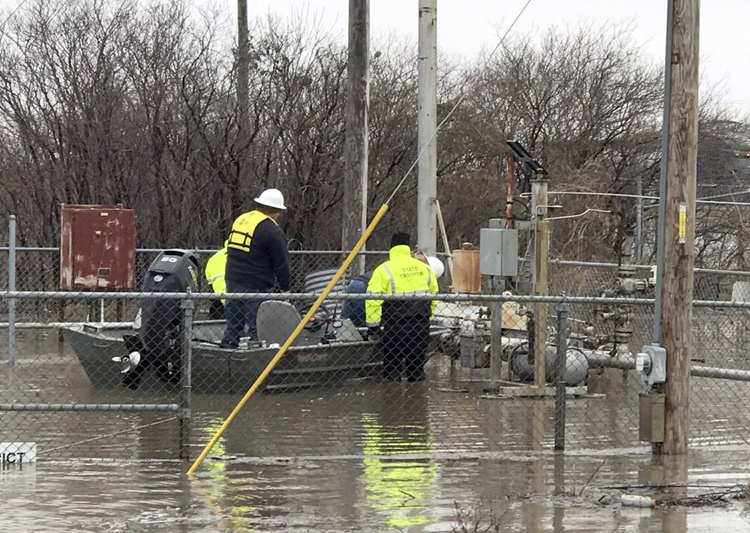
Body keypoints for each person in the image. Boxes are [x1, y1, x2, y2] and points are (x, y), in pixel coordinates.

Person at [221, 188, 290, 348]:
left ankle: (228, 348)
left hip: (233, 279)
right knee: (257, 324)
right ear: (277, 210)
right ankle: (256, 355)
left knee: (234, 321)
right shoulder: (272, 230)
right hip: (257, 284)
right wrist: (285, 288)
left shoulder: (241, 220)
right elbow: (282, 262)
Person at [366, 233, 439, 382]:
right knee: (417, 370)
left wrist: (373, 326)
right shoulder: (425, 269)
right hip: (420, 326)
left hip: (395, 326)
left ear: (392, 248)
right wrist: (428, 318)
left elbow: (372, 299)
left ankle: (393, 401)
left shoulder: (383, 269)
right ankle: (417, 400)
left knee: (392, 370)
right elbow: (434, 296)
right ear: (408, 248)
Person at [204, 240, 228, 319]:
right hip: (241, 299)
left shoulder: (214, 258)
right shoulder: (246, 256)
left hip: (219, 301)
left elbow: (210, 283)